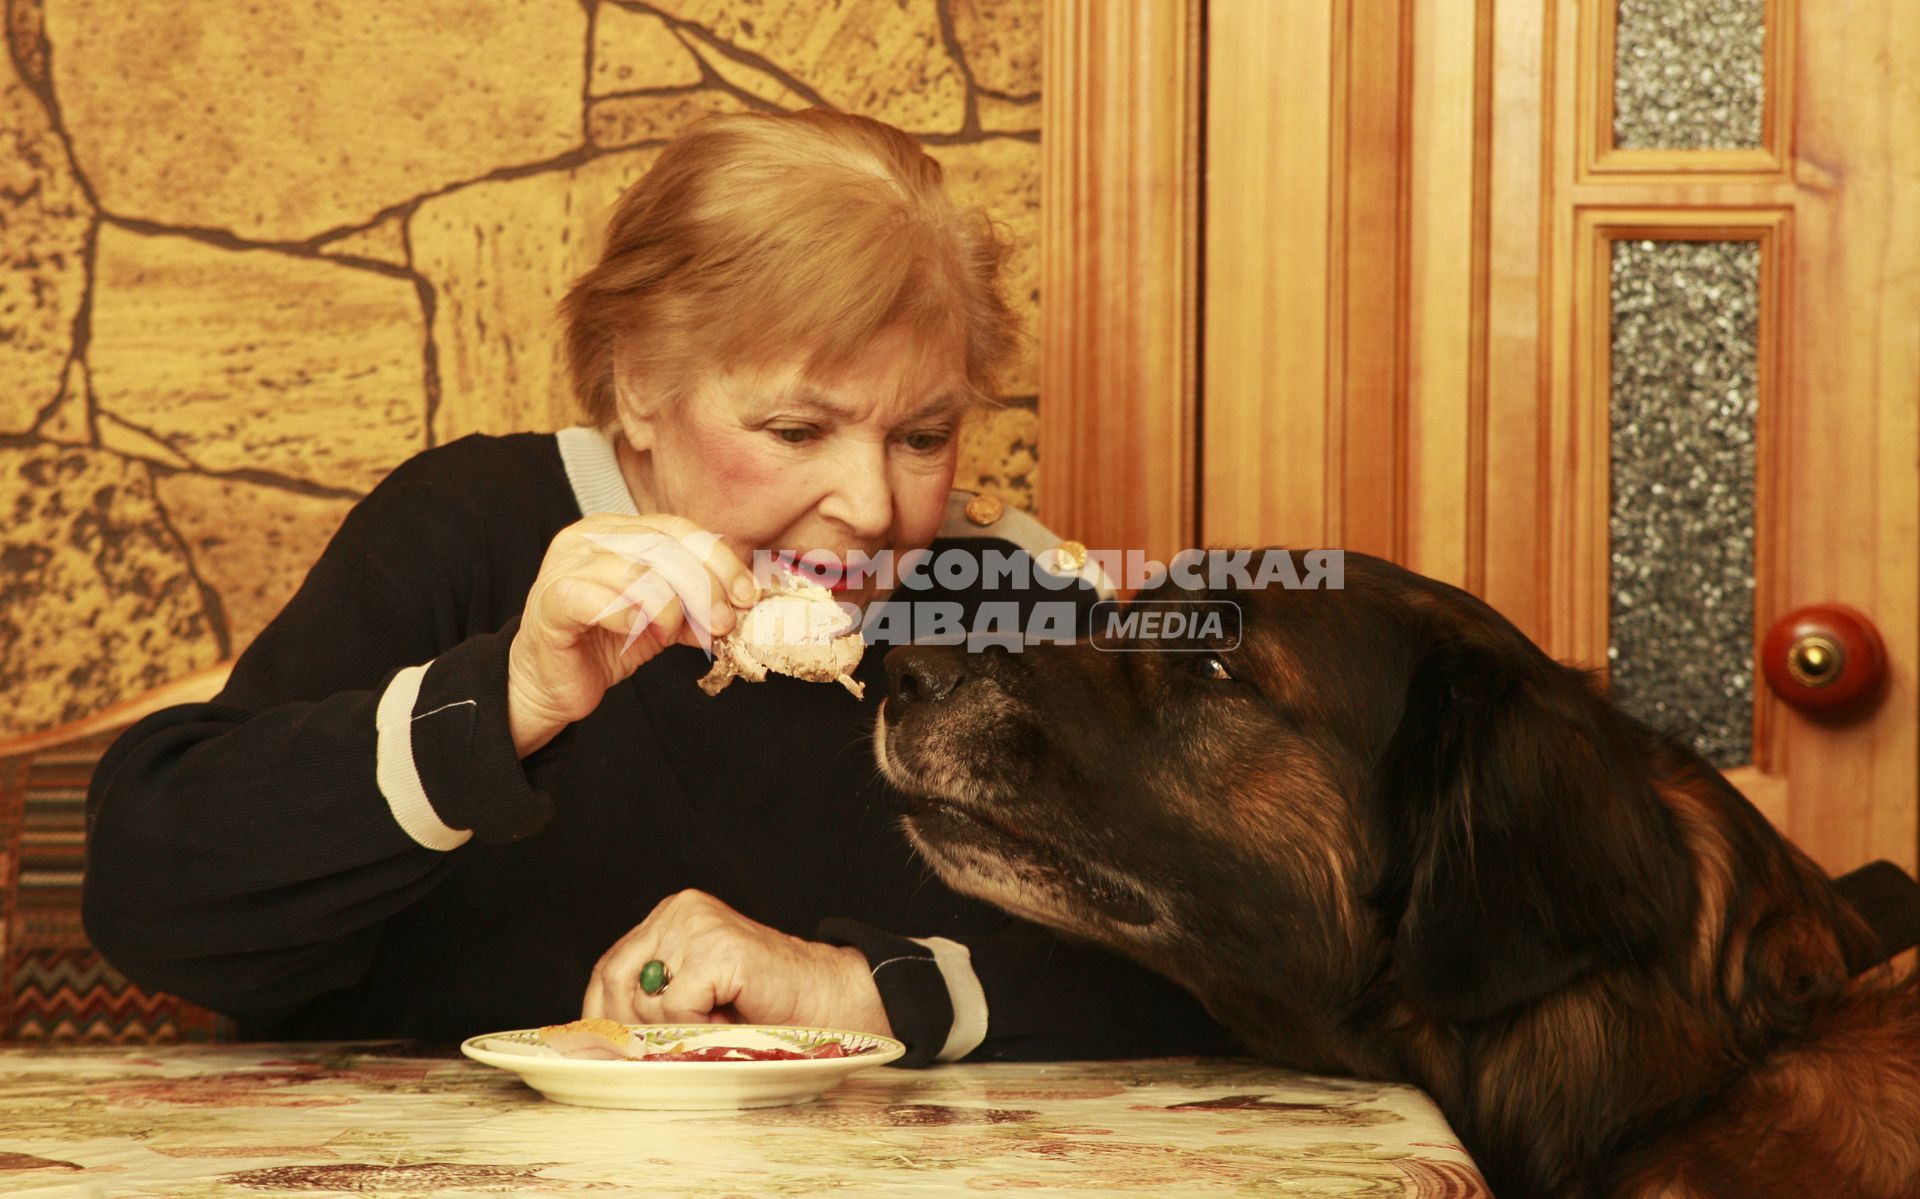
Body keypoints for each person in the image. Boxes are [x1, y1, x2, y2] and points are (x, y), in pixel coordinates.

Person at [82, 108, 1235, 1065]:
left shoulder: (1010, 600)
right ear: (639, 384)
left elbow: (1256, 970)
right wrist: (508, 699)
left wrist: (859, 986)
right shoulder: (469, 529)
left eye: (922, 435)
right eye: (796, 427)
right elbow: (155, 901)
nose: (877, 508)